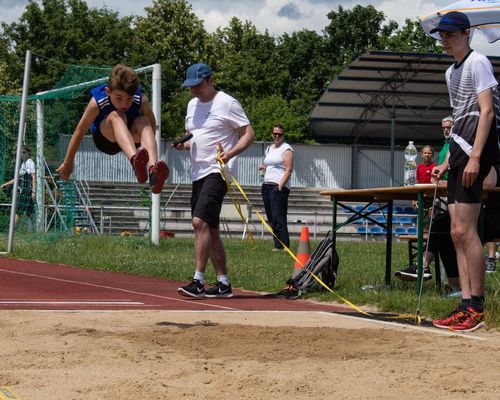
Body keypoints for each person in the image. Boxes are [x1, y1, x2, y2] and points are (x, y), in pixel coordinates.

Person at [430, 12, 500, 332]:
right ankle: (465, 302)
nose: (444, 39)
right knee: (456, 231)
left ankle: (477, 307)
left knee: (467, 230)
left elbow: (486, 111)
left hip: (477, 150)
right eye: (441, 35)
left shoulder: (479, 62)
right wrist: (446, 161)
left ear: (466, 33)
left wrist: (476, 157)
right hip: (458, 150)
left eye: (450, 34)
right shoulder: (450, 72)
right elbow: (459, 116)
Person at [174, 63, 255, 298]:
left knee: (198, 222)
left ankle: (198, 280)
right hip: (197, 172)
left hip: (218, 171)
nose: (194, 91)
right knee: (211, 229)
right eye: (190, 87)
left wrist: (230, 153)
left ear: (211, 80)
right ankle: (223, 283)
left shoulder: (227, 103)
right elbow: (195, 137)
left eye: (198, 85)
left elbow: (249, 134)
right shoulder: (191, 105)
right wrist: (184, 145)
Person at [56, 64, 168, 194]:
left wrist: (148, 148)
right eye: (119, 98)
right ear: (108, 92)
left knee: (143, 121)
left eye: (129, 99)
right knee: (117, 115)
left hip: (130, 138)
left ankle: (153, 174)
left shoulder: (140, 99)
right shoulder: (97, 101)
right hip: (106, 139)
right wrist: (68, 163)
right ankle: (134, 161)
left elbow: (151, 122)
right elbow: (79, 131)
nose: (124, 104)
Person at [259, 124, 294, 251]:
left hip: (278, 187)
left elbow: (289, 170)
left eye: (280, 134)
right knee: (271, 217)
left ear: (283, 135)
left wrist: (280, 187)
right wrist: (264, 166)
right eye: (275, 133)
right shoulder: (269, 148)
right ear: (272, 134)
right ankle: (278, 245)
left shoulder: (286, 149)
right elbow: (272, 164)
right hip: (266, 185)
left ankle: (285, 245)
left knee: (279, 216)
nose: (277, 136)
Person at [1, 147, 36, 227]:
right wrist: (6, 184)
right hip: (24, 190)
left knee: (18, 211)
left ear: (28, 153)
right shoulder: (23, 163)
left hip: (27, 190)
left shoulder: (30, 162)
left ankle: (10, 231)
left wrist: (33, 191)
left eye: (24, 152)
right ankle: (37, 231)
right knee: (29, 213)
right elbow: (17, 178)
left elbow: (34, 177)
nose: (22, 154)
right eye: (21, 152)